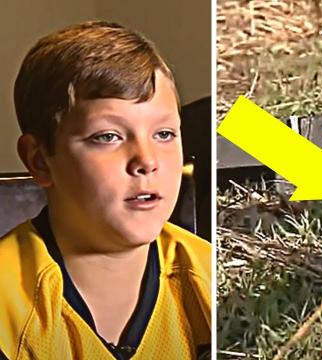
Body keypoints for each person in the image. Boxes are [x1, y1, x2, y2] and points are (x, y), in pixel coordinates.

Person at [0, 21, 211, 359]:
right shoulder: (9, 310)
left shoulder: (209, 280)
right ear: (39, 161)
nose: (146, 160)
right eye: (108, 136)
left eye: (164, 134)